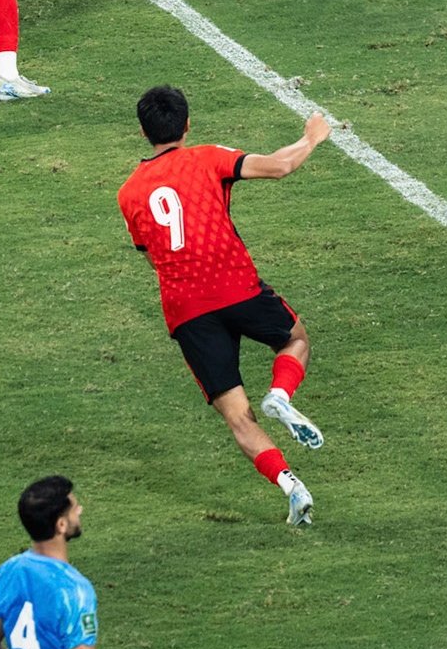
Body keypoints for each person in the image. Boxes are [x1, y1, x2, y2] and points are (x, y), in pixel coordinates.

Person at [116, 86, 331, 525]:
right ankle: (281, 393)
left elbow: (148, 249)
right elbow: (281, 165)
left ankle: (292, 486)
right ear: (188, 124)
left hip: (187, 309)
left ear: (143, 132)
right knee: (295, 340)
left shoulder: (129, 192)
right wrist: (313, 135)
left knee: (237, 416)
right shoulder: (208, 157)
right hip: (236, 285)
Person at [0, 476, 134, 649]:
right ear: (60, 525)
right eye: (74, 508)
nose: (80, 510)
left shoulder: (6, 572)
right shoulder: (74, 590)